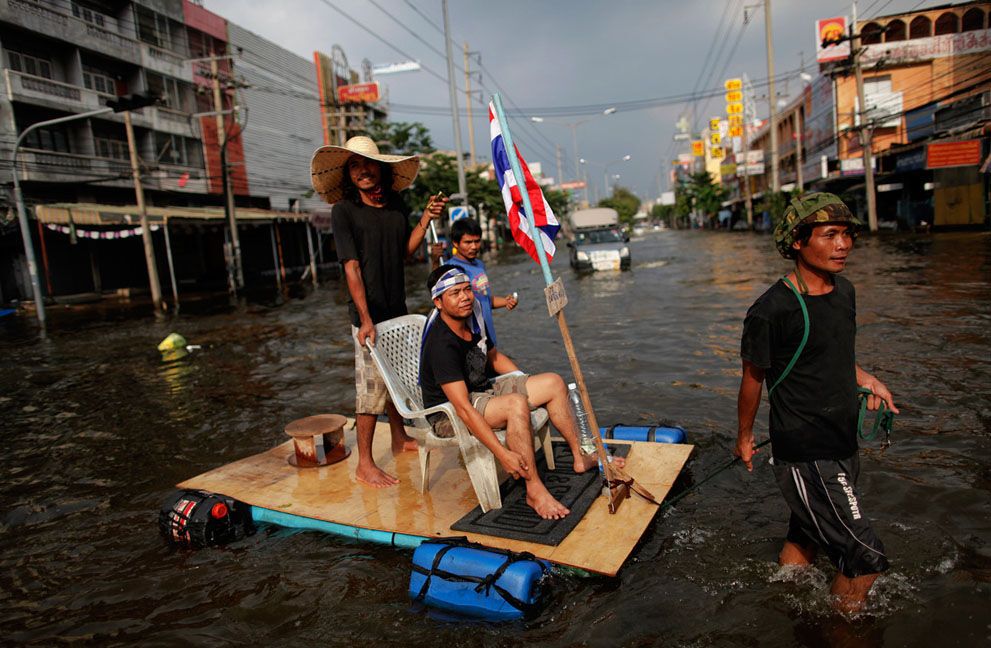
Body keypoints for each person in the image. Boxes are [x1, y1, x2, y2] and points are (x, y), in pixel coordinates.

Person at [734, 192, 900, 614]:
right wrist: (746, 436)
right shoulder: (771, 311)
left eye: (846, 235)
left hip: (842, 439)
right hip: (807, 451)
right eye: (829, 235)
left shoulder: (844, 292)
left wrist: (869, 381)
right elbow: (753, 379)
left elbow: (834, 353)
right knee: (864, 557)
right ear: (796, 241)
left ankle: (783, 598)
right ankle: (841, 632)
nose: (843, 244)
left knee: (805, 534)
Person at [419, 264, 624, 520]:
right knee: (515, 404)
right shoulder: (441, 343)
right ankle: (534, 490)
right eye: (455, 293)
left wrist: (524, 381)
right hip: (449, 413)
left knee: (552, 383)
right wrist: (502, 454)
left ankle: (581, 456)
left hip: (481, 388)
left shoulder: (474, 313)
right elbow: (462, 408)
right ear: (438, 302)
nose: (465, 298)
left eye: (467, 290)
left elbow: (492, 356)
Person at [311, 135, 448, 488]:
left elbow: (405, 252)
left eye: (367, 164)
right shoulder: (344, 211)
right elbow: (351, 268)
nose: (362, 171)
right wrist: (365, 318)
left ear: (381, 168)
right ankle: (366, 464)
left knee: (394, 380)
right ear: (348, 175)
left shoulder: (396, 206)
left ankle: (400, 438)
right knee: (370, 389)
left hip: (395, 307)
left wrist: (425, 220)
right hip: (367, 316)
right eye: (354, 166)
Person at [446, 218, 517, 348]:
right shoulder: (451, 269)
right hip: (472, 337)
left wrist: (506, 301)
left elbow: (484, 299)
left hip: (488, 333)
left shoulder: (479, 265)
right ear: (455, 243)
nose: (474, 246)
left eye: (477, 241)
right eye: (468, 242)